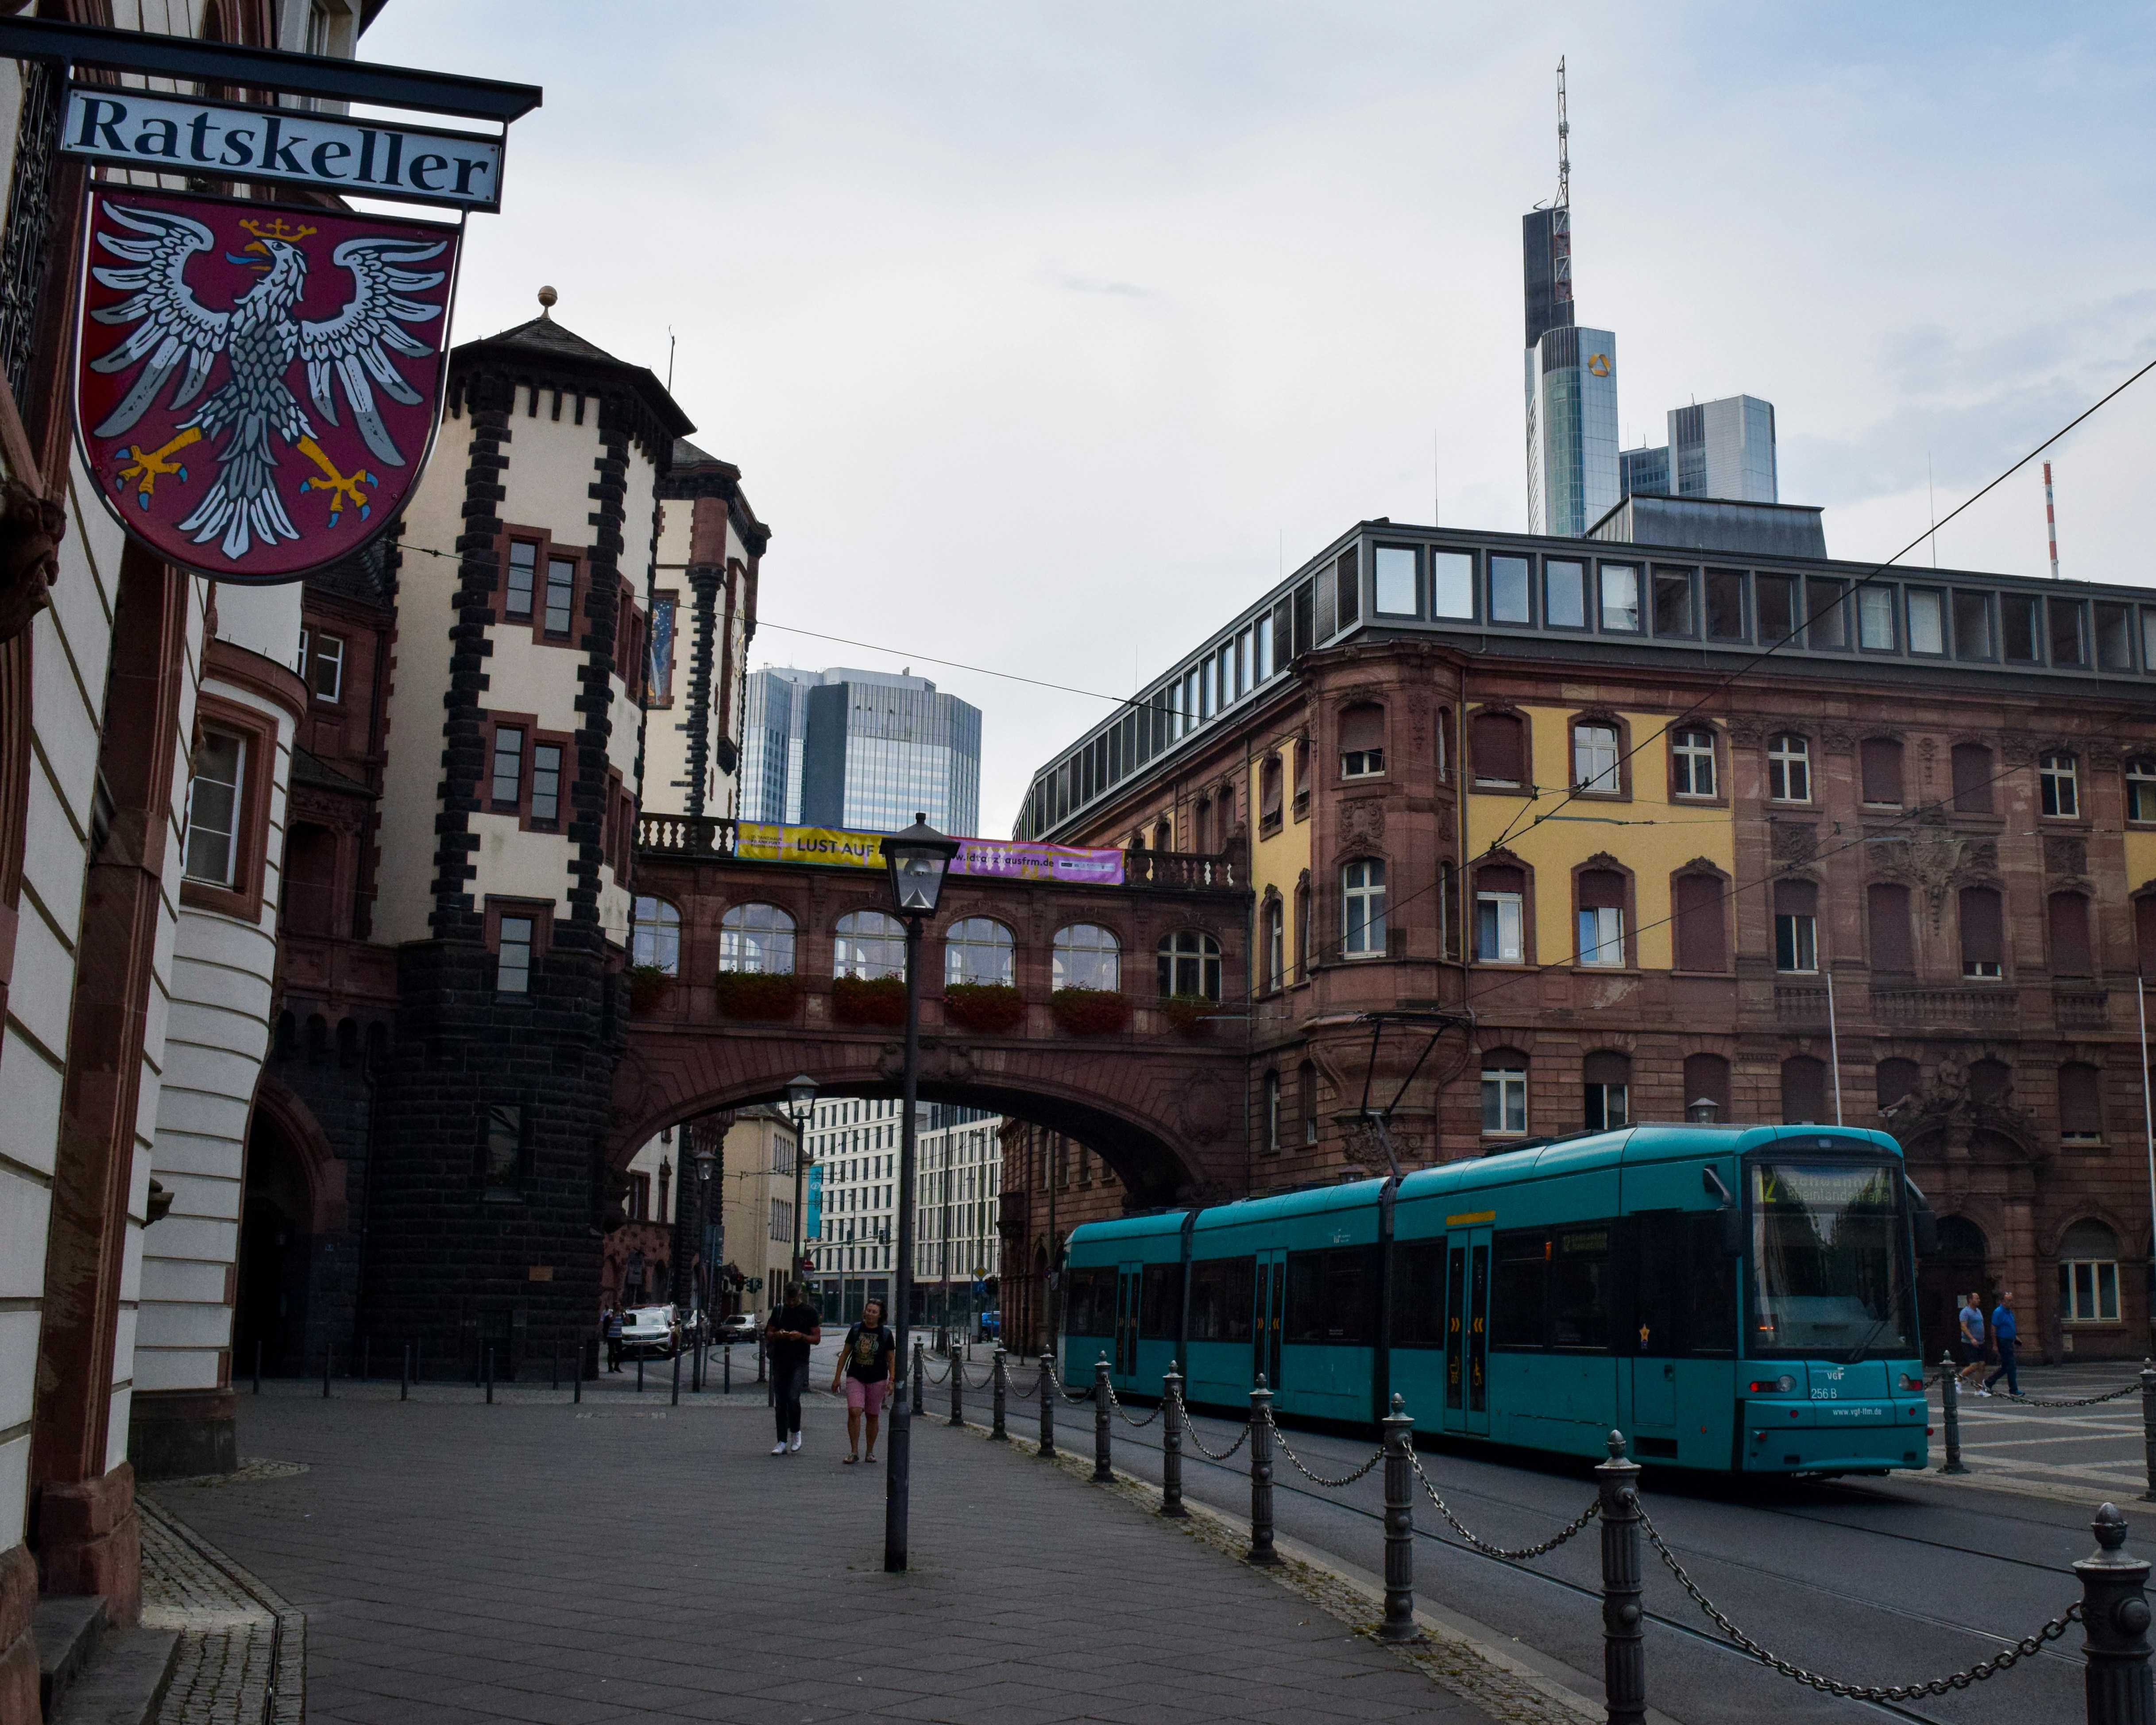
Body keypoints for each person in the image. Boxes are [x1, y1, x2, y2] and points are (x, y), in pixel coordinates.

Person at [831, 1299, 897, 1465]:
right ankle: (854, 1451)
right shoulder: (856, 1330)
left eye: (874, 1312)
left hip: (877, 1379)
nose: (870, 1314)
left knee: (872, 1415)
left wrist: (892, 1381)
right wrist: (837, 1378)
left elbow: (891, 1359)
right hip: (856, 1376)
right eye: (868, 1310)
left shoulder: (886, 1334)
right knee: (855, 1411)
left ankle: (870, 1451)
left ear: (880, 1316)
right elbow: (845, 1354)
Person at [765, 1284, 823, 1455]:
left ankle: (796, 1433)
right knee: (780, 1402)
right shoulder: (779, 1311)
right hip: (780, 1360)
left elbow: (817, 1338)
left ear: (800, 1296)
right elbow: (768, 1333)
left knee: (793, 1397)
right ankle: (781, 1441)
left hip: (800, 1361)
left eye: (794, 1299)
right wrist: (778, 1335)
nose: (791, 1302)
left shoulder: (809, 1312)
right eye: (788, 1299)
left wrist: (801, 1337)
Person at [1983, 1290, 2019, 1397]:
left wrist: (2015, 1337)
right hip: (2003, 1342)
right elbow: (1994, 1329)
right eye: (2009, 1301)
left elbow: (2009, 1326)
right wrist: (1995, 1345)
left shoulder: (2009, 1312)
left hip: (2009, 1341)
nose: (2011, 1303)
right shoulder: (1998, 1312)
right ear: (2002, 1301)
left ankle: (1989, 1382)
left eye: (2012, 1301)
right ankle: (2014, 1390)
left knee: (2006, 1367)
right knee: (2011, 1366)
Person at [1956, 1293, 1988, 1394]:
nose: (1979, 1300)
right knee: (1974, 1365)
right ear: (1970, 1300)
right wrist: (1972, 1338)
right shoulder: (1965, 1312)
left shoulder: (1978, 1311)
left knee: (1982, 1366)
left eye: (1979, 1298)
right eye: (1977, 1299)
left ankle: (1979, 1389)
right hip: (1969, 1342)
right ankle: (1958, 1380)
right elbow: (1964, 1327)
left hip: (1981, 1342)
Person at [603, 1306, 625, 1373]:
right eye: (618, 1306)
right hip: (611, 1336)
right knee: (611, 1352)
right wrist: (618, 1312)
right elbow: (612, 1319)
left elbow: (628, 1320)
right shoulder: (611, 1313)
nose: (619, 1307)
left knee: (620, 1352)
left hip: (618, 1336)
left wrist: (625, 1313)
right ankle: (610, 1368)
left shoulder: (621, 1315)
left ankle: (617, 1367)